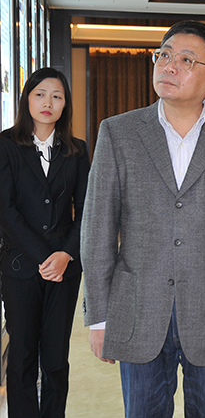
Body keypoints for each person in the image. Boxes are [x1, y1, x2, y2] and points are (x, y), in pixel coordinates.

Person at [80, 20, 205, 418]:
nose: (169, 66)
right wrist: (99, 316)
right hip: (139, 308)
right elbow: (97, 228)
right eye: (164, 55)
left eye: (186, 60)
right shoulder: (118, 133)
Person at [0, 67, 90, 417]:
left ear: (65, 104)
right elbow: (5, 211)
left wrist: (66, 254)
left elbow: (86, 209)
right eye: (40, 94)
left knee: (55, 358)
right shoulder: (6, 145)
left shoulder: (76, 150)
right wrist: (44, 257)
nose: (47, 102)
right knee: (22, 355)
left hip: (64, 270)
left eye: (57, 96)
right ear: (27, 100)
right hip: (21, 267)